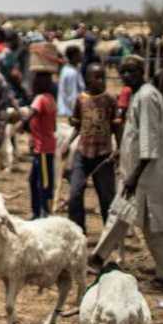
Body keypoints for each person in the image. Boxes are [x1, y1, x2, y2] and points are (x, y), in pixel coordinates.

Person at [90, 56, 163, 288]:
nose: (127, 76)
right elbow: (135, 136)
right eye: (123, 72)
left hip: (145, 174)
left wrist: (134, 176)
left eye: (132, 71)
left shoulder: (146, 97)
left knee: (149, 224)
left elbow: (148, 141)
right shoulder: (140, 95)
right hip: (137, 172)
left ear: (142, 71)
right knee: (122, 215)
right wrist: (120, 153)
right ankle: (98, 257)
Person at [65, 63, 118, 233]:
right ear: (88, 79)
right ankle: (78, 231)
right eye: (97, 77)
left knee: (106, 199)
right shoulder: (81, 99)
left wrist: (120, 149)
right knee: (74, 194)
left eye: (103, 76)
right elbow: (78, 125)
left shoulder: (110, 100)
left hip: (103, 155)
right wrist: (66, 144)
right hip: (83, 152)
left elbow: (117, 127)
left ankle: (109, 239)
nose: (101, 80)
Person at [22, 68, 57, 219]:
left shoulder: (40, 99)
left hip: (42, 148)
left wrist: (20, 125)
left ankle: (44, 213)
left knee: (43, 183)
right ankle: (37, 212)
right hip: (44, 146)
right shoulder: (50, 98)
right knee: (36, 180)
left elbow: (31, 114)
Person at [58, 46, 84, 117]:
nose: (81, 56)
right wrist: (76, 112)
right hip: (70, 112)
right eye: (79, 55)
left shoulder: (70, 69)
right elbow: (72, 95)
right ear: (74, 57)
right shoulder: (71, 73)